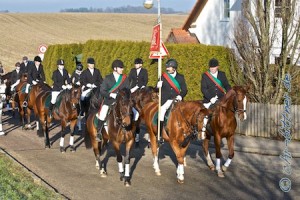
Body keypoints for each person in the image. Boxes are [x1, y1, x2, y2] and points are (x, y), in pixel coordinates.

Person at [96, 59, 132, 141]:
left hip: (122, 102)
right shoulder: (108, 78)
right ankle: (98, 132)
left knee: (134, 113)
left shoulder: (125, 78)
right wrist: (111, 94)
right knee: (103, 113)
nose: (122, 69)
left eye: (122, 68)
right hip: (109, 101)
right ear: (115, 68)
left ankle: (132, 131)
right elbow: (102, 90)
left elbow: (128, 90)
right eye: (121, 68)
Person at [156, 58, 188, 143]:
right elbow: (157, 89)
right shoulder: (163, 76)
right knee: (161, 113)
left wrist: (180, 96)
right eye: (167, 67)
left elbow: (184, 90)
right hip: (165, 100)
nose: (167, 69)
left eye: (168, 67)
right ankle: (159, 135)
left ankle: (186, 133)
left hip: (177, 99)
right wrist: (158, 85)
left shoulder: (180, 77)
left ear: (174, 68)